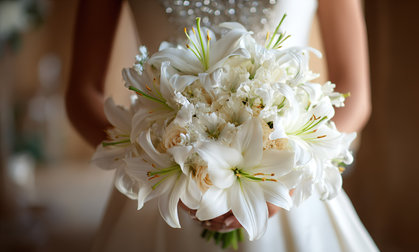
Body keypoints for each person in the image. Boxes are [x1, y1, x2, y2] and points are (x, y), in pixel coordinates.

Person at [66, 0, 376, 251]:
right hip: (162, 183)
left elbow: (355, 96)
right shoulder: (157, 169)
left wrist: (288, 178)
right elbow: (81, 95)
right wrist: (151, 162)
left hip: (287, 182)